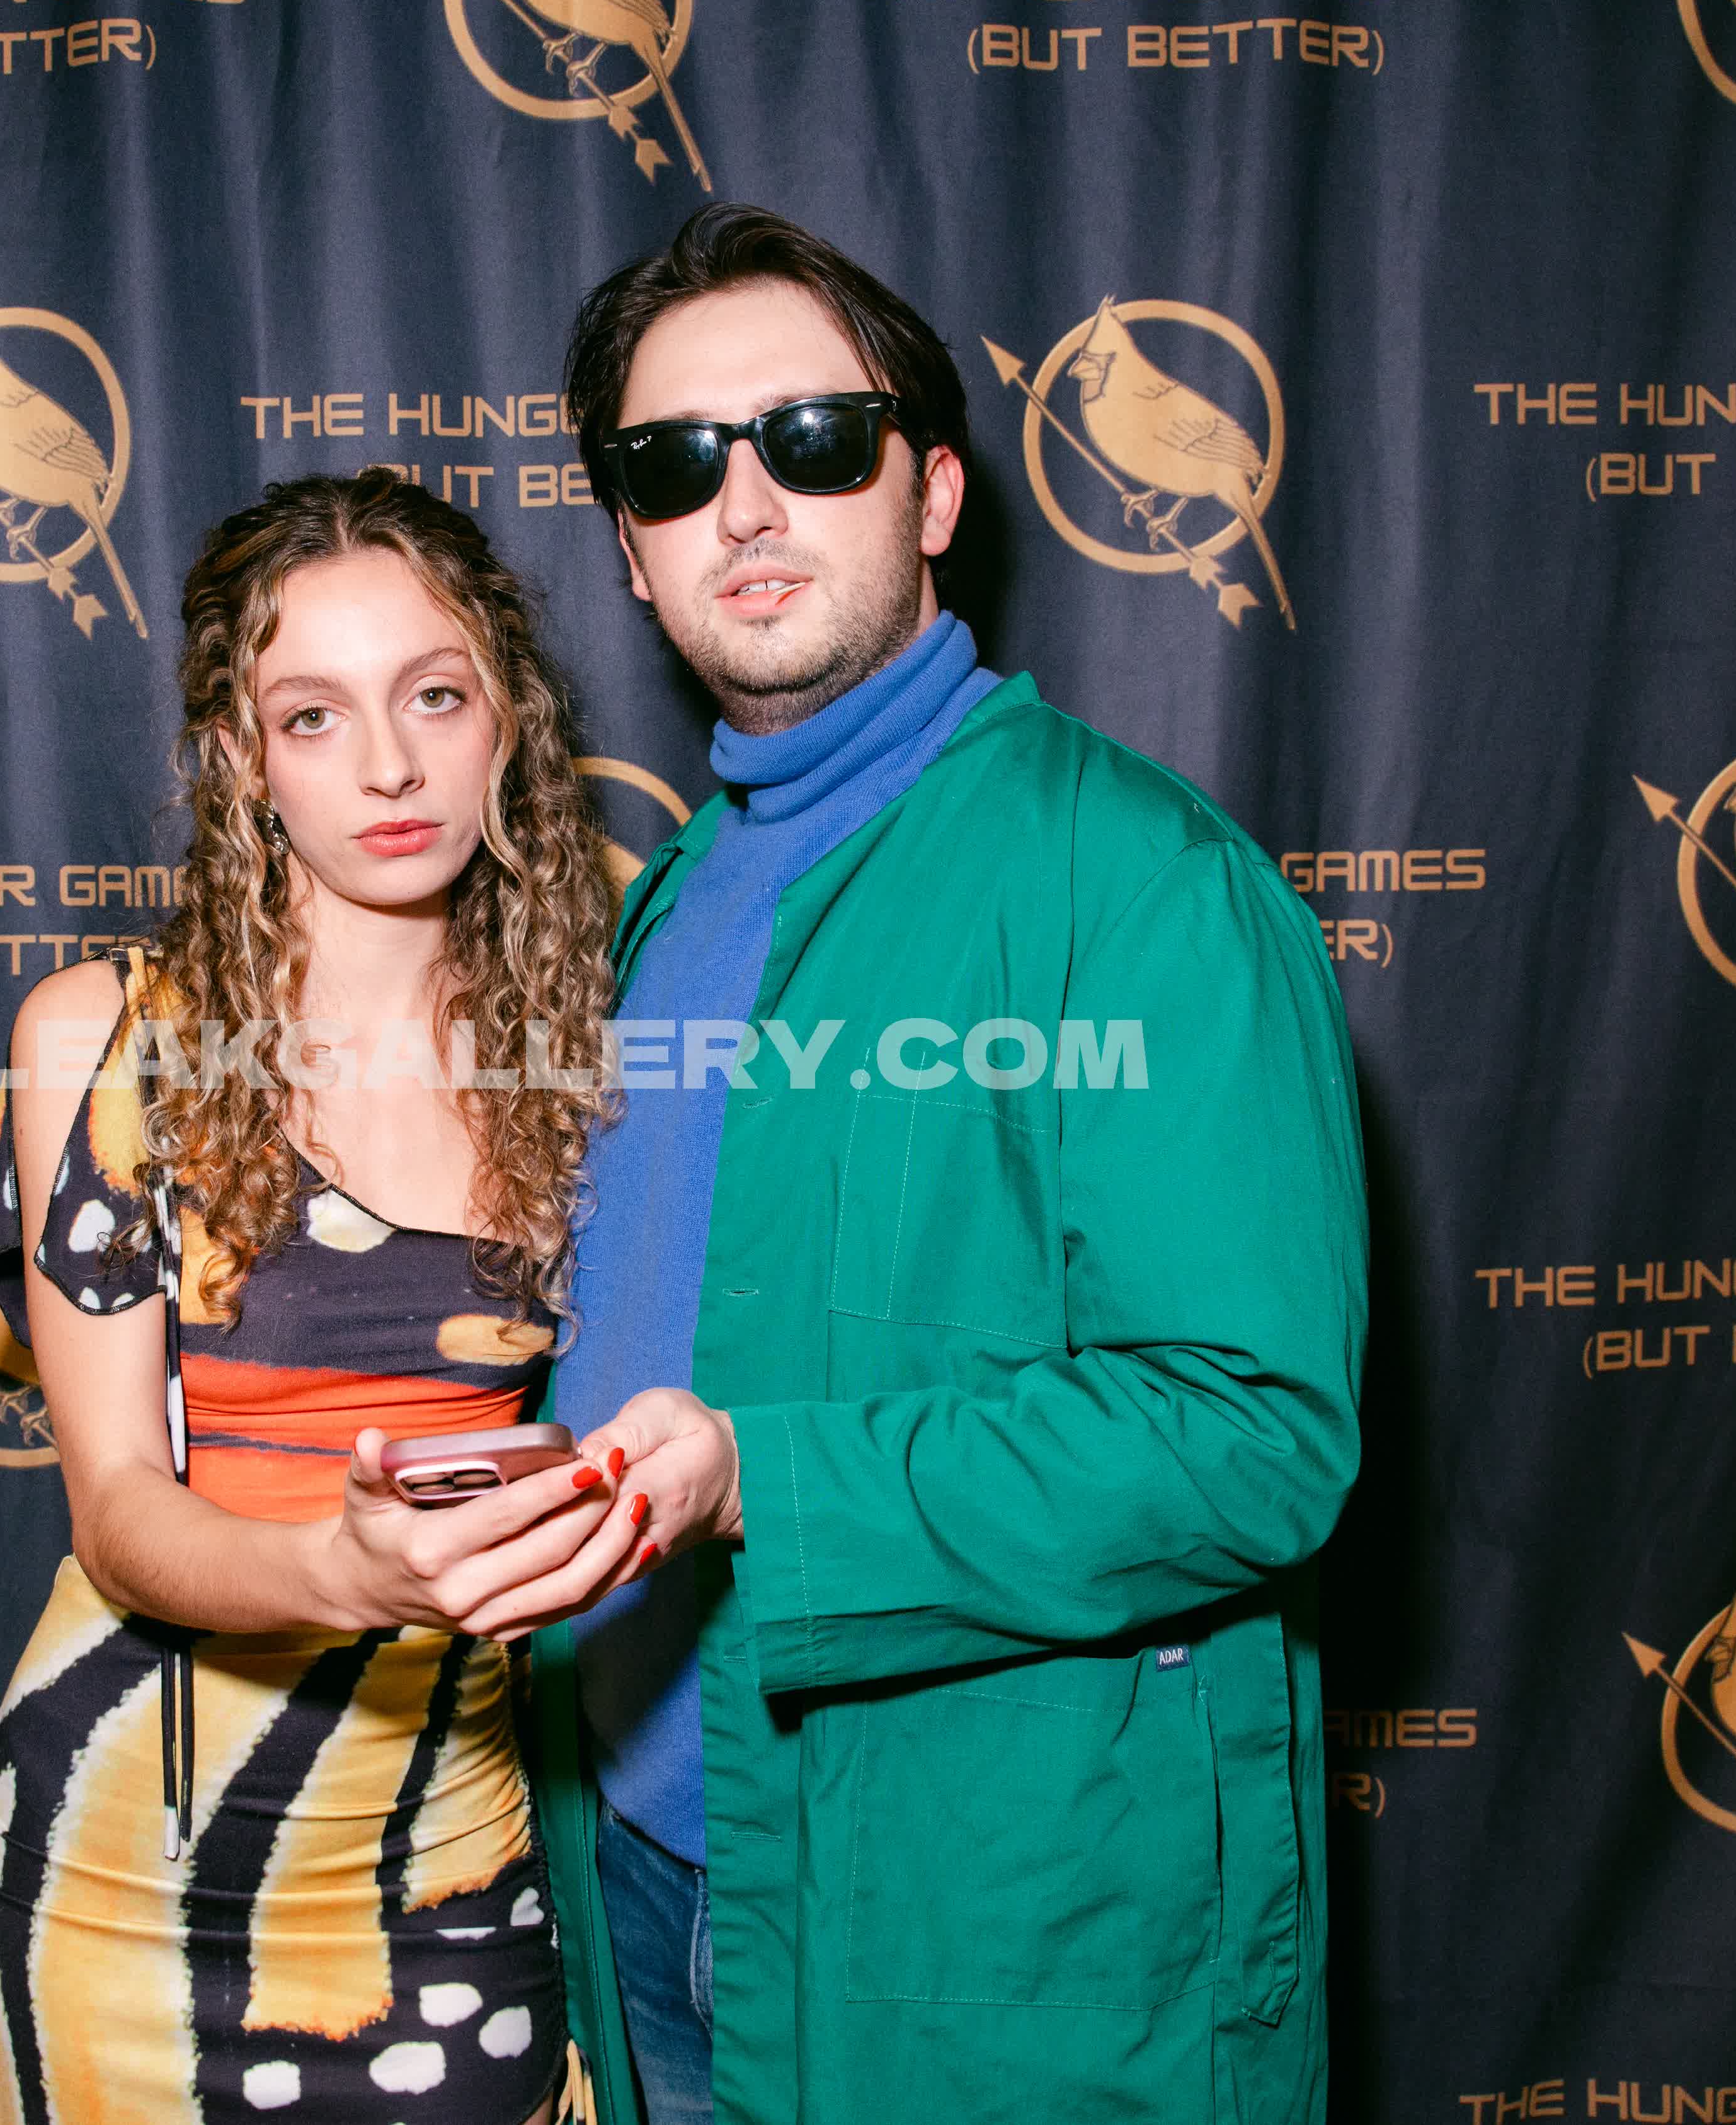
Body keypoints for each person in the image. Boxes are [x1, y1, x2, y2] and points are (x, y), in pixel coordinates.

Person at [532, 205, 1368, 2125]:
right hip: (642, 1876)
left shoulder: (1143, 881)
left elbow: (1254, 1435)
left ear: (933, 493)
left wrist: (765, 1480)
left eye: (814, 440)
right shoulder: (660, 905)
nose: (747, 504)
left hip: (982, 1932)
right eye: (674, 466)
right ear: (634, 553)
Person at [0, 471, 646, 2125]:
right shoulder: (110, 1040)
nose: (390, 765)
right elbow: (118, 1510)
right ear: (243, 761)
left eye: (434, 696)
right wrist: (343, 1568)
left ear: (509, 721)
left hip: (449, 1842)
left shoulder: (609, 1039)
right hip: (131, 1857)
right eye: (312, 716)